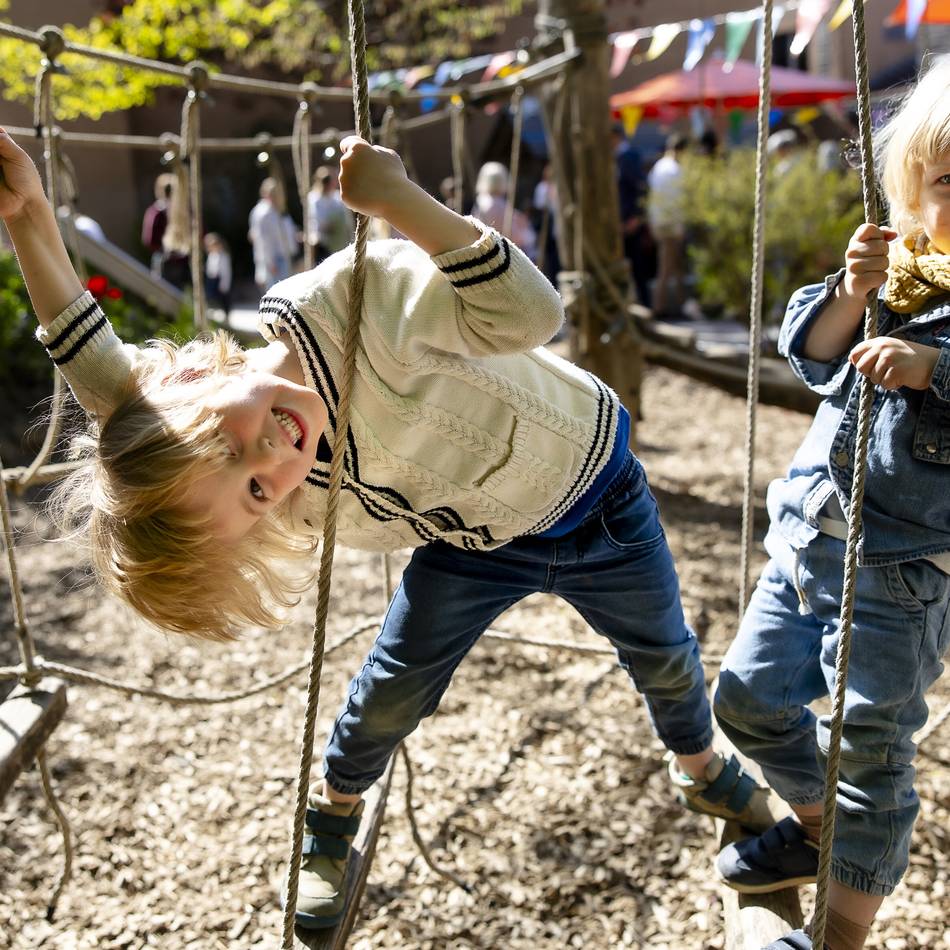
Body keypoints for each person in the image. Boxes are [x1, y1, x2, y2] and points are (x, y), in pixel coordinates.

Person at [0, 128, 774, 932]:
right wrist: (251, 484)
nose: (267, 456)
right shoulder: (289, 491)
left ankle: (701, 765)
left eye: (230, 445)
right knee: (393, 685)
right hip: (478, 545)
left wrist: (26, 216)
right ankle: (332, 812)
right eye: (256, 490)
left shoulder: (354, 304)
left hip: (603, 497)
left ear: (191, 374)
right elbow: (138, 419)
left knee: (666, 656)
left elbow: (533, 313)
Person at [713, 56, 950, 950]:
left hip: (904, 574)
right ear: (909, 189)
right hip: (811, 537)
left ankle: (842, 930)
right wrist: (852, 293)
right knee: (745, 701)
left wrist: (938, 369)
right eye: (949, 179)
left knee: (872, 756)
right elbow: (809, 357)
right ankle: (817, 829)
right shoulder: (900, 273)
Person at [612, 124, 655, 308]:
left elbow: (640, 189)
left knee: (637, 269)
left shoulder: (629, 157)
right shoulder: (618, 159)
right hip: (621, 224)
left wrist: (636, 218)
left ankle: (645, 306)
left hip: (631, 224)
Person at [647, 134, 689, 317]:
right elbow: (676, 201)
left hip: (660, 221)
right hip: (670, 223)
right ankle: (659, 307)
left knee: (676, 266)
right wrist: (679, 226)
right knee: (667, 267)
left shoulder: (658, 167)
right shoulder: (674, 170)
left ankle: (681, 304)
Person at [471, 161, 537, 260]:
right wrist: (527, 232)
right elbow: (515, 237)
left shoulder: (481, 201)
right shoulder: (498, 204)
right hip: (504, 255)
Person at [248, 177, 295, 294]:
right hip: (274, 259)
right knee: (277, 295)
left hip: (283, 255)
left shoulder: (277, 211)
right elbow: (263, 240)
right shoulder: (264, 213)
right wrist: (269, 262)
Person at [306, 166, 355, 265]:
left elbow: (348, 222)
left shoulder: (338, 198)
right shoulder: (314, 199)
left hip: (340, 243)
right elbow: (318, 223)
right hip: (323, 246)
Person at [141, 174, 175, 277]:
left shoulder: (155, 212)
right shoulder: (180, 211)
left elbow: (148, 239)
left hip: (163, 256)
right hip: (176, 257)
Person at [204, 232, 232, 324]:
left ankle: (226, 315)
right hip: (212, 280)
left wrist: (224, 284)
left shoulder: (224, 256)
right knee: (212, 297)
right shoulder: (211, 256)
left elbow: (226, 271)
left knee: (224, 299)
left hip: (220, 280)